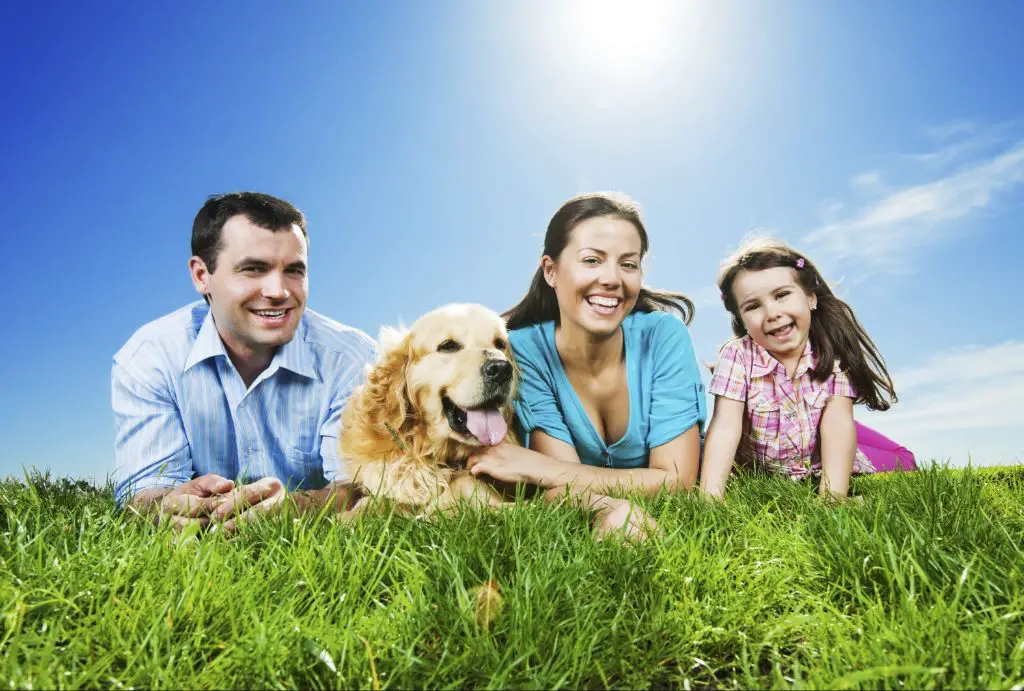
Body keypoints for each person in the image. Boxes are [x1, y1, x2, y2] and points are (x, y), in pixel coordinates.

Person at [112, 192, 377, 531]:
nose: (279, 291)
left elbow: (363, 488)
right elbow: (143, 492)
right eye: (254, 269)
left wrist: (293, 508)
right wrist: (168, 504)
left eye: (294, 271)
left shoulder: (353, 361)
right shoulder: (150, 357)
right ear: (201, 276)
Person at [466, 192, 706, 508]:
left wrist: (544, 469)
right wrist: (608, 503)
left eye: (629, 264)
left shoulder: (663, 336)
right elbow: (560, 487)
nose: (611, 279)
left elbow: (677, 480)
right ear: (550, 270)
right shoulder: (524, 350)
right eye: (591, 260)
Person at [699, 237, 916, 501]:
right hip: (762, 466)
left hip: (815, 460)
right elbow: (724, 427)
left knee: (902, 461)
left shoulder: (833, 356)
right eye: (753, 306)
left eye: (781, 295)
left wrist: (832, 497)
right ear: (742, 320)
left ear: (811, 298)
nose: (772, 312)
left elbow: (837, 427)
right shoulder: (737, 356)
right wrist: (710, 498)